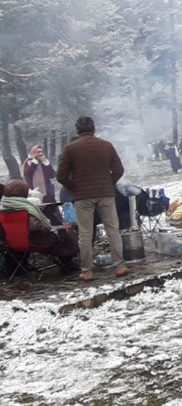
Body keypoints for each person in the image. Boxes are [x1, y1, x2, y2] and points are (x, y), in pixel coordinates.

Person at [56, 116, 127, 282]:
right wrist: (109, 183)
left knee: (85, 234)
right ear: (94, 129)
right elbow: (118, 169)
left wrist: (74, 186)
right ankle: (120, 266)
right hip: (106, 194)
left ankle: (87, 271)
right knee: (113, 230)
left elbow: (61, 176)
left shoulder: (70, 149)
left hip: (82, 197)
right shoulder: (106, 145)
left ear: (77, 130)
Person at [1, 180, 79, 271]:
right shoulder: (25, 208)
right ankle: (67, 263)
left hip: (12, 244)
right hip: (32, 242)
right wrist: (48, 228)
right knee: (62, 237)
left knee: (57, 236)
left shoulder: (4, 208)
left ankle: (17, 267)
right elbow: (35, 227)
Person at [23, 145, 61, 225]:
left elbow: (52, 174)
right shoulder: (29, 162)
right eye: (38, 152)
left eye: (41, 152)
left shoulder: (45, 162)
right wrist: (35, 162)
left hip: (47, 190)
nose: (40, 154)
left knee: (52, 209)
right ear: (33, 153)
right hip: (34, 190)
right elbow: (28, 174)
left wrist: (46, 163)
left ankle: (58, 225)